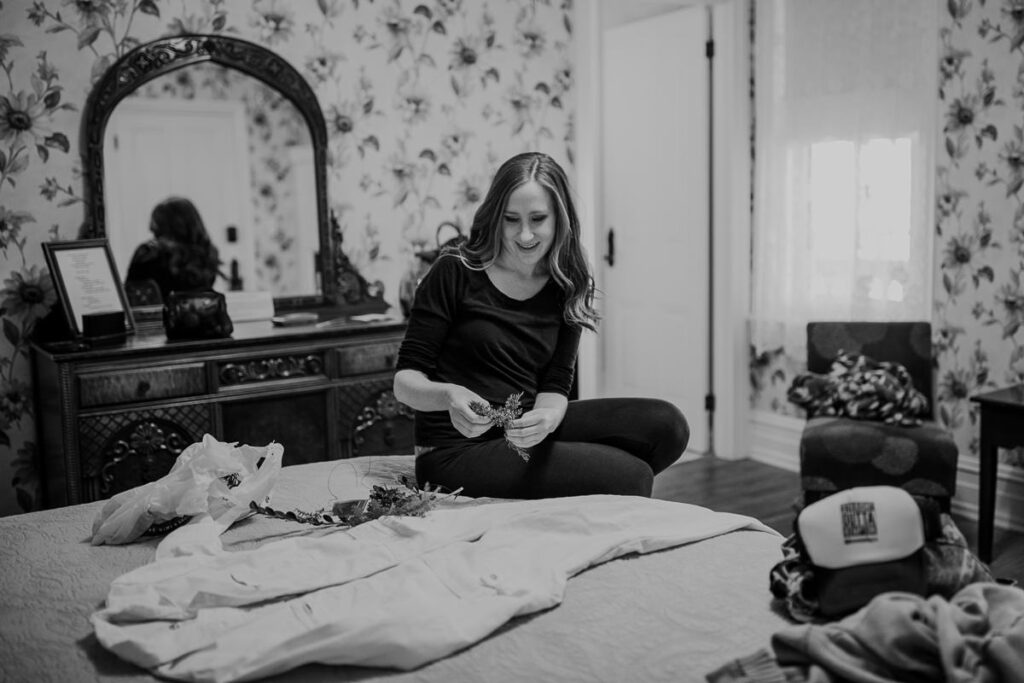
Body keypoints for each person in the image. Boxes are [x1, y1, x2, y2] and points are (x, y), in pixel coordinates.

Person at [394, 152, 689, 499]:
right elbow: (404, 382)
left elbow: (556, 382)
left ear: (559, 218)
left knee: (668, 425)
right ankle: (596, 489)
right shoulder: (455, 270)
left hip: (524, 429)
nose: (525, 234)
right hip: (453, 450)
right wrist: (448, 395)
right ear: (495, 217)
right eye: (511, 220)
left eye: (537, 218)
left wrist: (547, 418)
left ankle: (583, 489)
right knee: (632, 476)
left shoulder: (568, 280)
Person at [125, 196, 222, 300]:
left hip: (158, 315)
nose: (151, 228)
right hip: (201, 315)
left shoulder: (149, 253)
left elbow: (129, 295)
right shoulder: (208, 252)